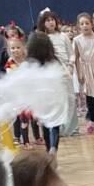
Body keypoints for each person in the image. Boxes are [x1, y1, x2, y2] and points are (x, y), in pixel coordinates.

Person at [25, 31, 70, 154]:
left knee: (45, 125)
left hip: (41, 100)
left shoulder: (30, 64)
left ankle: (49, 148)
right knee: (54, 125)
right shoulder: (53, 61)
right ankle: (53, 148)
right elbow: (63, 77)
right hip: (54, 98)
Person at [37, 10, 78, 138]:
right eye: (47, 20)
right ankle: (57, 128)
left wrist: (70, 65)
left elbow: (71, 53)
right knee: (56, 102)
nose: (51, 22)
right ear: (43, 23)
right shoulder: (41, 38)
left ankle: (72, 128)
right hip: (51, 74)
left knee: (70, 99)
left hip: (65, 72)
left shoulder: (63, 36)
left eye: (52, 20)